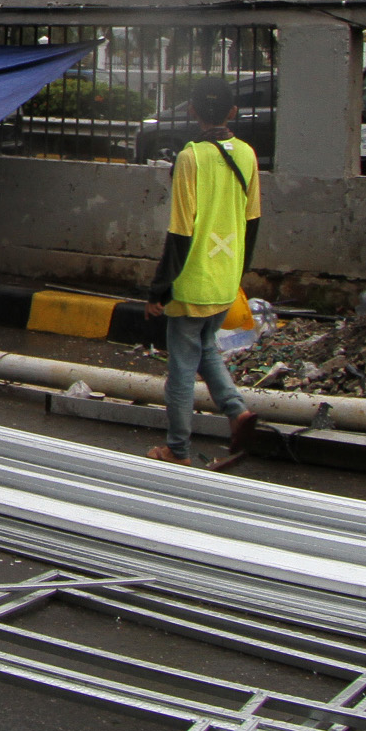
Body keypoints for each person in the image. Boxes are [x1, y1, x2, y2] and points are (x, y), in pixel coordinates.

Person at [145, 78, 263, 464]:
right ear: (232, 112)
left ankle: (176, 449)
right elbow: (253, 221)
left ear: (192, 111)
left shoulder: (190, 157)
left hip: (191, 281)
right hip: (226, 279)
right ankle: (237, 411)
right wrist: (237, 275)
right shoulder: (247, 154)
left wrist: (159, 290)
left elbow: (179, 231)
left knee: (180, 368)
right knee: (206, 348)